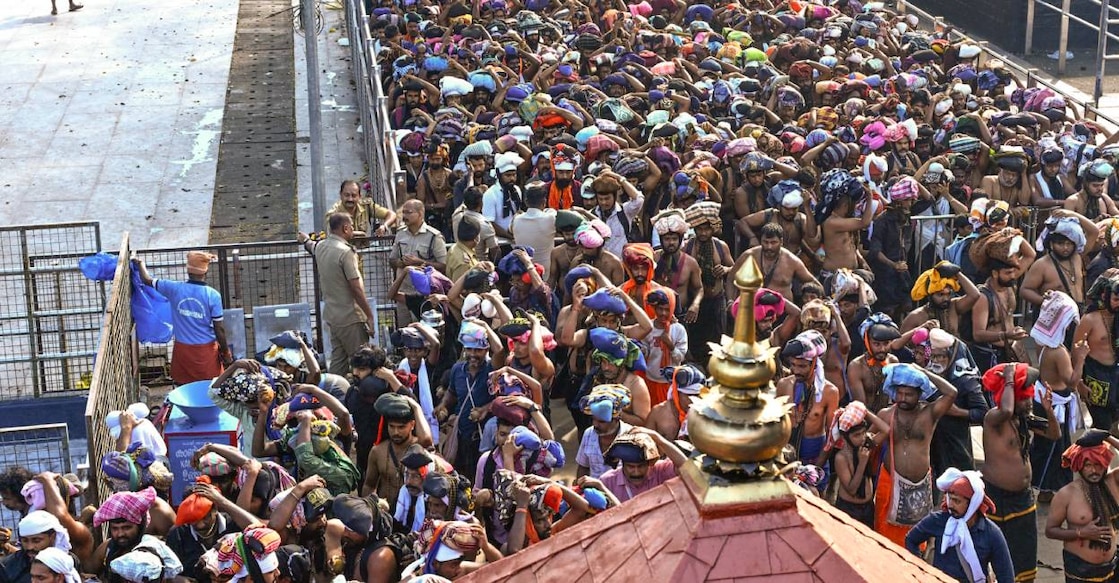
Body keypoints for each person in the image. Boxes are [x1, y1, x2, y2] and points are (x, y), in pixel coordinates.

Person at [981, 363, 1060, 583]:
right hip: (997, 498)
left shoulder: (1024, 419)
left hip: (1023, 499)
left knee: (1025, 554)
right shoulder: (993, 418)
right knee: (997, 556)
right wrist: (1008, 378)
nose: (1029, 403)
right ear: (1011, 396)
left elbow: (1054, 434)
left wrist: (1049, 410)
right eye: (1024, 398)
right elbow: (1006, 410)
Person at [873, 363, 957, 547]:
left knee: (918, 538)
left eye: (909, 394)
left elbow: (951, 393)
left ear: (920, 394)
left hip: (919, 486)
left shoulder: (929, 413)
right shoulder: (886, 414)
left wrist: (924, 373)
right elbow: (871, 442)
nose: (902, 398)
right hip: (890, 481)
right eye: (899, 393)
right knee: (884, 538)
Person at [134, 252, 231, 383]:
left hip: (183, 352)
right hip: (206, 352)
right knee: (210, 389)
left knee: (184, 388)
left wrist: (140, 264)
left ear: (188, 270)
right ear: (205, 272)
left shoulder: (173, 288)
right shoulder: (212, 295)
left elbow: (146, 280)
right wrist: (226, 353)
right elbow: (219, 329)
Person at [905, 468, 1015, 583]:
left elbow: (1006, 577)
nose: (950, 505)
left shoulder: (992, 534)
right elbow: (911, 539)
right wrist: (922, 572)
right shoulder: (939, 520)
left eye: (957, 501)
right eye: (950, 499)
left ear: (973, 504)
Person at [298, 214, 375, 375]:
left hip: (333, 317)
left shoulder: (321, 247)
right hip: (351, 317)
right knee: (363, 363)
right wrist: (369, 315)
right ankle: (364, 396)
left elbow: (310, 245)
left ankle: (333, 393)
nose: (353, 230)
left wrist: (305, 239)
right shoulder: (346, 253)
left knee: (338, 361)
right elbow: (356, 288)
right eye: (351, 227)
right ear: (345, 228)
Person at [1045, 431, 1119, 583]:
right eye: (1088, 465)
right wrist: (1081, 532)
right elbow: (1050, 531)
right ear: (1079, 466)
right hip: (1080, 571)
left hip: (1112, 568)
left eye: (1098, 464)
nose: (1093, 471)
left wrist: (1107, 437)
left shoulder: (1113, 481)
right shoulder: (1066, 494)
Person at [777, 330, 839, 472]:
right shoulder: (783, 385)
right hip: (786, 455)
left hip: (814, 455)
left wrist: (817, 468)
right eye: (793, 365)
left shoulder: (830, 392)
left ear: (814, 364)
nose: (796, 371)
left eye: (802, 366)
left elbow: (832, 436)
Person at [362, 393, 434, 506]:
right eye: (392, 426)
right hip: (386, 513)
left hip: (413, 514)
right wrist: (371, 509)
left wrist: (416, 408)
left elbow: (426, 440)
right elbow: (369, 485)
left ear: (412, 425)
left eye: (401, 427)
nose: (396, 432)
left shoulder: (418, 448)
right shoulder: (377, 451)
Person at [828, 402, 890, 527]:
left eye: (863, 433)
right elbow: (851, 489)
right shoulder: (841, 457)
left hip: (867, 508)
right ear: (845, 437)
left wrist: (864, 412)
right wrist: (862, 463)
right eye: (857, 435)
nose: (862, 438)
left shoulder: (865, 445)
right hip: (849, 509)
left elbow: (886, 430)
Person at [389, 200, 449, 322]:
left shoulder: (434, 236)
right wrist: (400, 263)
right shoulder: (400, 233)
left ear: (420, 214)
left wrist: (419, 262)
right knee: (404, 331)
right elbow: (392, 260)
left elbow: (443, 266)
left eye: (409, 212)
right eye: (403, 212)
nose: (404, 216)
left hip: (425, 296)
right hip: (404, 293)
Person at [598, 428, 686, 503]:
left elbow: (686, 467)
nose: (636, 472)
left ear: (649, 463)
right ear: (623, 464)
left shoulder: (660, 471)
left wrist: (657, 437)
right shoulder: (607, 482)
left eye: (641, 466)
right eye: (631, 467)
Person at [903, 262, 981, 338]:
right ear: (930, 295)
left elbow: (975, 295)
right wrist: (921, 328)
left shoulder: (954, 306)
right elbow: (899, 344)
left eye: (949, 294)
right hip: (929, 351)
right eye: (940, 295)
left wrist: (957, 273)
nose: (946, 299)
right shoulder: (916, 316)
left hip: (954, 350)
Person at [326, 179, 397, 237]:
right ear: (340, 195)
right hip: (342, 252)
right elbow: (334, 235)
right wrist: (361, 234)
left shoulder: (366, 205)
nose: (350, 199)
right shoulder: (333, 214)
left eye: (354, 196)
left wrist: (384, 227)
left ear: (359, 196)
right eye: (347, 195)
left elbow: (392, 214)